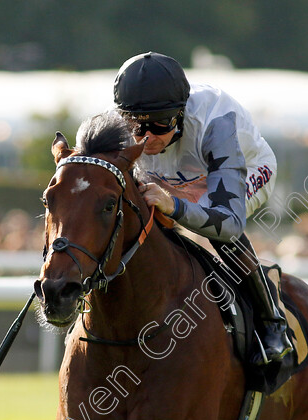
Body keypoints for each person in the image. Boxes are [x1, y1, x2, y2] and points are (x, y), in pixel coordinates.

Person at [113, 51, 292, 366]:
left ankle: (272, 321)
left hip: (243, 171)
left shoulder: (216, 122)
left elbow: (229, 222)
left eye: (160, 123)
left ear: (181, 113)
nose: (148, 137)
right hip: (175, 177)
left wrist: (175, 206)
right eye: (137, 127)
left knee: (218, 232)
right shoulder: (118, 125)